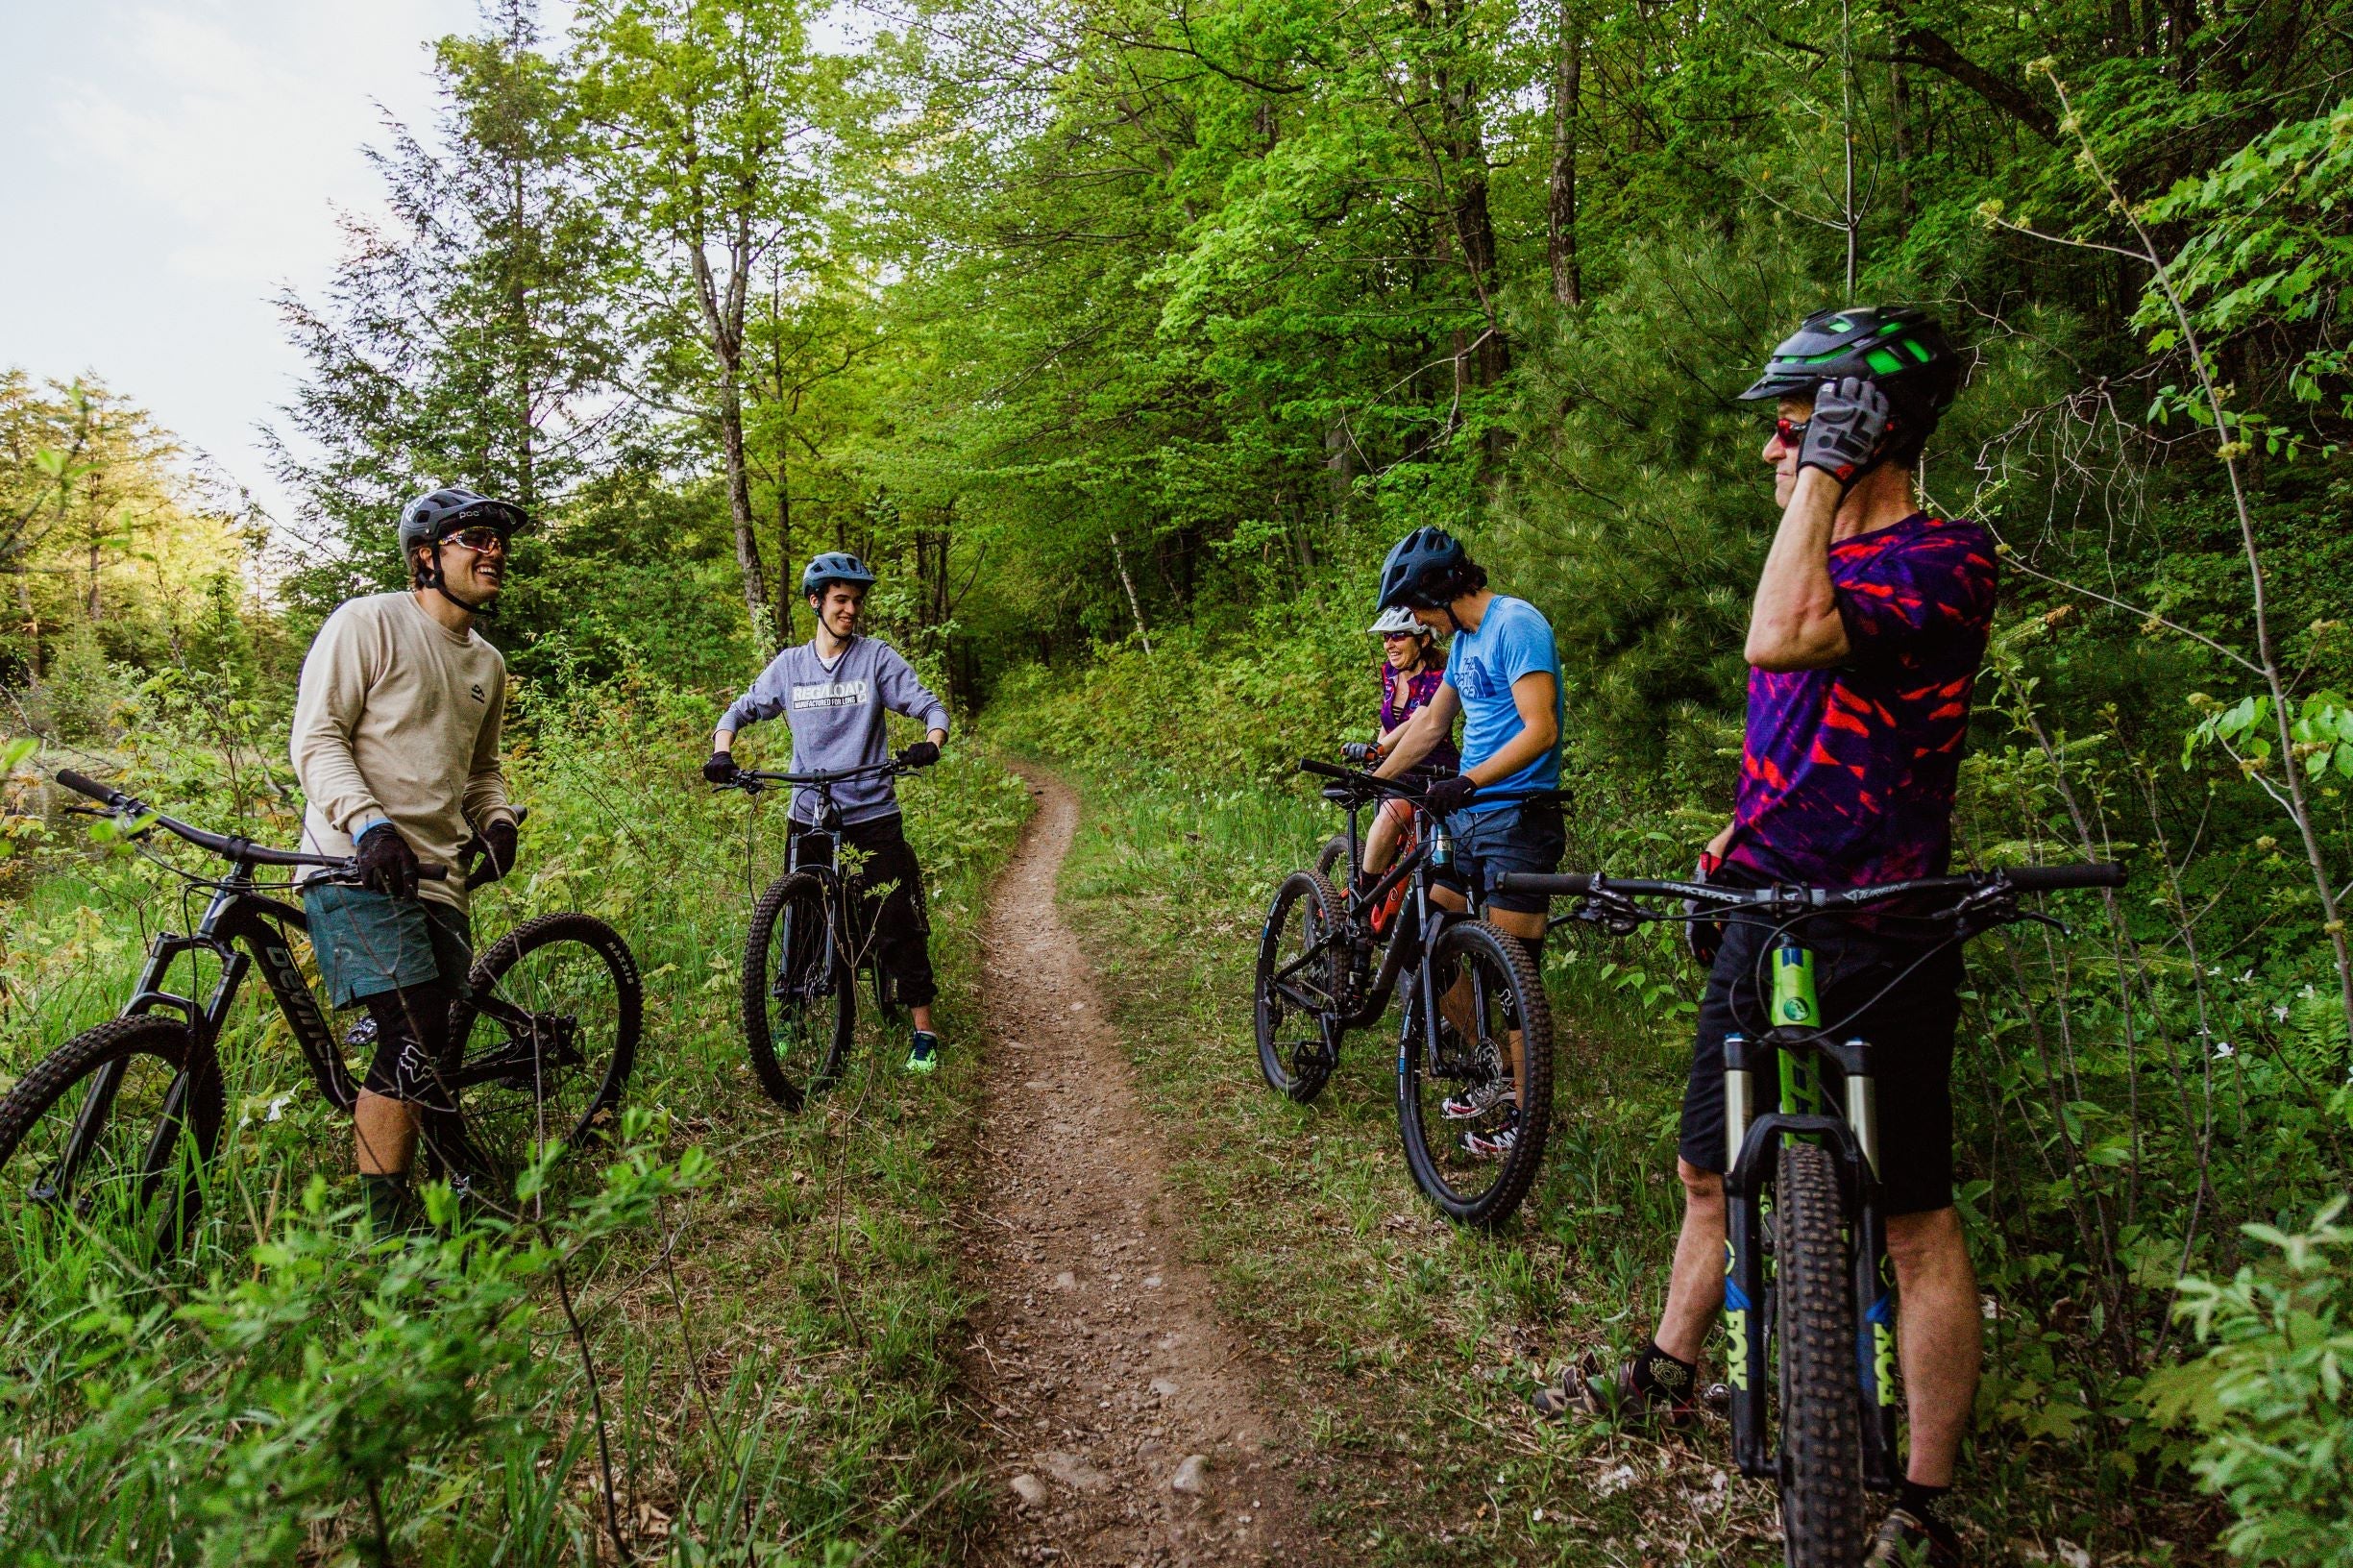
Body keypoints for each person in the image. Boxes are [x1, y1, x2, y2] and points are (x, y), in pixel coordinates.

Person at [1537, 306, 1988, 1568]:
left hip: (1883, 930)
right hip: (1761, 908)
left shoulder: (1943, 556)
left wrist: (1830, 475)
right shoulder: (1811, 548)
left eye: (1788, 428)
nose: (1767, 455)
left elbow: (1783, 635)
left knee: (1913, 1223)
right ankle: (1667, 1371)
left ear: (1860, 432)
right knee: (1703, 1174)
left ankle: (1923, 1500)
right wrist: (1732, 845)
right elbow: (1786, 729)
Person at [290, 485, 527, 1229]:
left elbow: (482, 769)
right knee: (411, 1034)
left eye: (497, 540)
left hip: (439, 877)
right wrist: (367, 825)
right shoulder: (368, 622)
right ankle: (389, 1235)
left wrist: (494, 819)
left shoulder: (486, 661)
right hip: (353, 864)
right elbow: (318, 736)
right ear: (426, 557)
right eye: (473, 538)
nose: (493, 550)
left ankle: (460, 1175)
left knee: (441, 1041)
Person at [704, 552, 952, 1074]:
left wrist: (930, 742)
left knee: (893, 920)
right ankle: (794, 1017)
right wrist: (723, 752)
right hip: (809, 813)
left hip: (870, 812)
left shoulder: (876, 659)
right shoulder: (790, 666)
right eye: (841, 600)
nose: (851, 610)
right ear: (816, 602)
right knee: (804, 919)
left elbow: (930, 707)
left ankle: (923, 1029)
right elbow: (739, 709)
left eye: (857, 601)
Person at [1369, 527, 1564, 1159]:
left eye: (1421, 609)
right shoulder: (1465, 643)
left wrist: (1469, 779)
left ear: (1440, 591)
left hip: (1517, 816)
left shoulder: (1516, 624)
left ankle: (1523, 1111)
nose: (1421, 622)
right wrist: (1372, 780)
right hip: (1467, 820)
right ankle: (1491, 1074)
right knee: (1432, 945)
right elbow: (1431, 723)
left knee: (1512, 978)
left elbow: (1540, 730)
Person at [1359, 605, 1455, 884]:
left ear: (1423, 640)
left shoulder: (1439, 677)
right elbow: (1388, 719)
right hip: (1394, 763)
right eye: (1386, 637)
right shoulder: (1389, 672)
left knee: (1400, 811)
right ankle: (1366, 892)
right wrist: (1373, 754)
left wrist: (1381, 750)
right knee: (1391, 816)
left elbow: (1422, 719)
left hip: (1433, 765)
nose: (1389, 644)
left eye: (1398, 636)